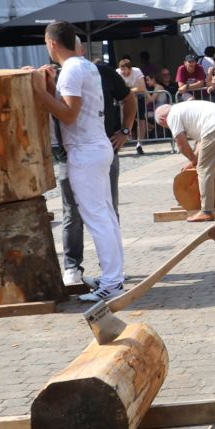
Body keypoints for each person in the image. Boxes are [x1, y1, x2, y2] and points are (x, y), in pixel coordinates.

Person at [31, 22, 125, 301]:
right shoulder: (85, 66)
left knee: (98, 218)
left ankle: (112, 282)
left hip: (85, 150)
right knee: (105, 216)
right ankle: (113, 278)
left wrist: (39, 92)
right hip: (94, 146)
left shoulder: (72, 69)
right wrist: (48, 87)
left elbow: (69, 114)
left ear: (51, 44)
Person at [54, 45, 135, 288]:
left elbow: (128, 98)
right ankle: (77, 268)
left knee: (103, 214)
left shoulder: (96, 70)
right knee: (77, 213)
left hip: (93, 149)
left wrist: (125, 131)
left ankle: (111, 277)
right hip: (77, 151)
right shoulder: (66, 72)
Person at [159, 96, 215, 221]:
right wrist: (193, 159)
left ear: (162, 119)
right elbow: (201, 142)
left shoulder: (172, 115)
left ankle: (206, 211)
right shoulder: (185, 109)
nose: (168, 128)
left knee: (204, 169)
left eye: (164, 126)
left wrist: (194, 161)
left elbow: (181, 143)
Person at [118, 56, 148, 150]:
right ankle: (124, 139)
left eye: (125, 69)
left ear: (130, 69)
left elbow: (142, 88)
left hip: (138, 97)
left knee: (140, 120)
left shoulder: (137, 71)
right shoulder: (117, 72)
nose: (123, 72)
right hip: (125, 98)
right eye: (121, 69)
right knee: (124, 119)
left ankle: (140, 142)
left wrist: (128, 91)